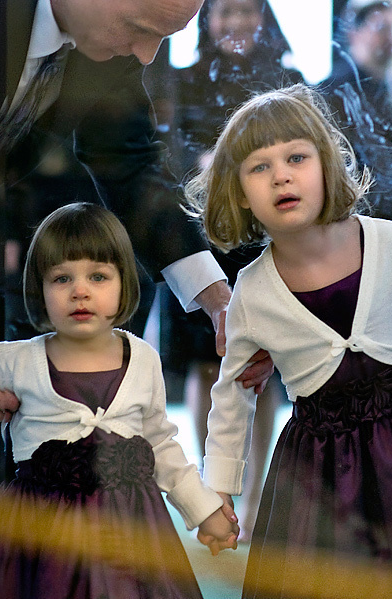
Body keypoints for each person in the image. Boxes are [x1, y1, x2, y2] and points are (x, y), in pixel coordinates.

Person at [0, 0, 275, 484]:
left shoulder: (105, 48)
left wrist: (217, 299)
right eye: (141, 29)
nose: (147, 56)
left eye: (165, 37)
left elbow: (131, 170)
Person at [186, 84, 392, 597]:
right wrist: (219, 491)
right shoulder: (250, 291)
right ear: (239, 192)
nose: (282, 175)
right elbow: (231, 396)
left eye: (296, 157)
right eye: (259, 167)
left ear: (326, 165)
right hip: (321, 471)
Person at [0, 203, 240, 599]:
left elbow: (160, 444)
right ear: (39, 289)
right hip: (45, 540)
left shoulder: (143, 359)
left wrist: (204, 510)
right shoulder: (12, 361)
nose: (80, 290)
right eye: (61, 278)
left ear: (125, 284)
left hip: (134, 532)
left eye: (98, 276)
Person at [157, 0, 303, 541]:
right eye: (225, 13)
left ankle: (258, 491)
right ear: (206, 21)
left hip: (262, 234)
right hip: (199, 234)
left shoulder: (285, 80)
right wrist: (206, 167)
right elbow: (165, 156)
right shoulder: (179, 80)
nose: (236, 24)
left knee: (260, 360)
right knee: (202, 360)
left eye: (247, 12)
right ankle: (211, 486)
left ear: (265, 18)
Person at [321, 0, 392, 230]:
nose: (390, 39)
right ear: (355, 32)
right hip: (355, 222)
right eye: (380, 28)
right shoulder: (332, 92)